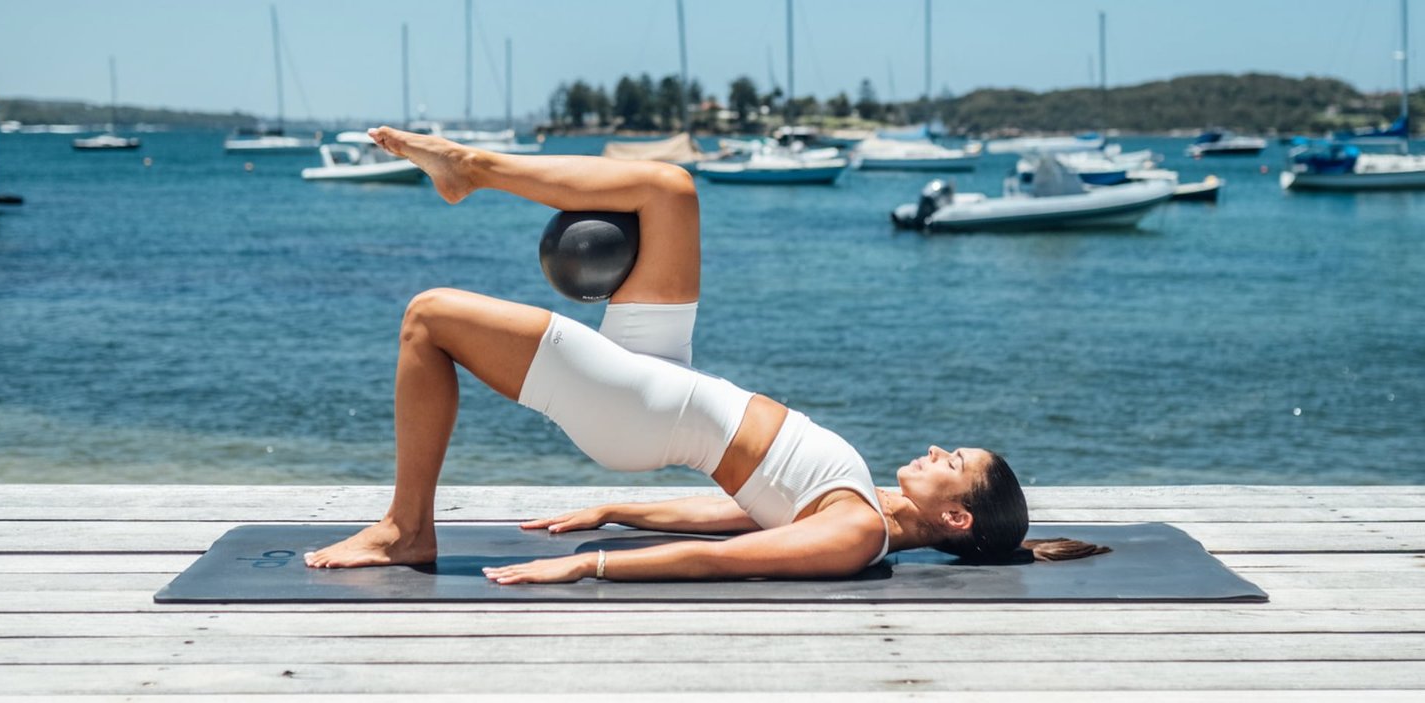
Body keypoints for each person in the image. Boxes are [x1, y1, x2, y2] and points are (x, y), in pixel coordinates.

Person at [304, 127, 1102, 583]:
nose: (936, 447)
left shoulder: (858, 535)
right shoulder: (873, 516)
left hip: (641, 409)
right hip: (668, 380)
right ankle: (474, 171)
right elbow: (740, 513)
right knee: (670, 188)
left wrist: (593, 568)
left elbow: (728, 559)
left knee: (428, 317)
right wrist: (616, 511)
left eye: (952, 459)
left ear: (955, 514)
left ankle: (406, 528)